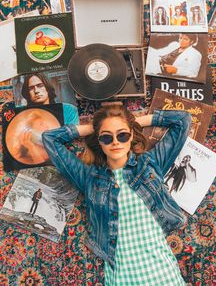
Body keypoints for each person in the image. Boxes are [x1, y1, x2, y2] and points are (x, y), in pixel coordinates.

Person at [42, 104, 191, 285]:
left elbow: (182, 121)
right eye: (106, 137)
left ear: (131, 136)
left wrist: (134, 122)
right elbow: (49, 139)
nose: (115, 142)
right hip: (122, 279)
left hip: (164, 276)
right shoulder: (90, 178)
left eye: (122, 135)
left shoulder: (149, 163)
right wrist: (93, 128)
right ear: (99, 141)